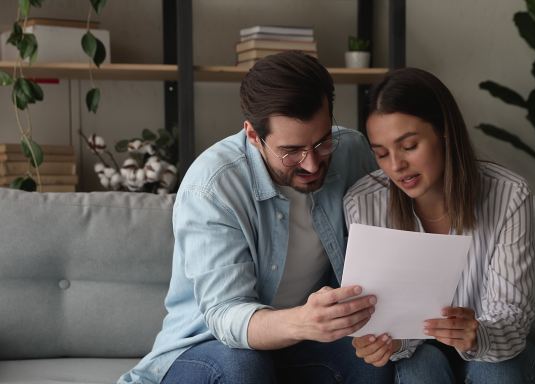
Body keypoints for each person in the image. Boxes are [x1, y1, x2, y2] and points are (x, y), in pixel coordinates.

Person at [118, 51, 394, 384]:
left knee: (374, 360)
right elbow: (224, 315)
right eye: (291, 151)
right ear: (252, 135)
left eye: (321, 143)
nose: (312, 164)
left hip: (303, 346)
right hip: (208, 348)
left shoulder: (352, 152)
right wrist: (304, 321)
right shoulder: (212, 185)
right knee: (243, 368)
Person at [343, 67, 535, 383]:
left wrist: (477, 333)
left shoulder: (508, 193)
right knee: (420, 371)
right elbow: (382, 322)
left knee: (498, 373)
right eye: (381, 154)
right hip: (419, 353)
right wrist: (384, 342)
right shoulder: (364, 202)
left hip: (494, 350)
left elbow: (513, 318)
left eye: (409, 146)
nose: (396, 166)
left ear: (445, 132)